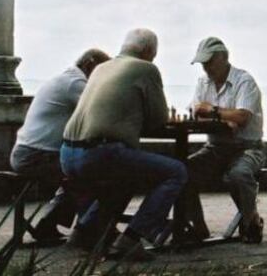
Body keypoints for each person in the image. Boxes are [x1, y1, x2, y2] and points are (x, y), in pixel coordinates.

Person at [60, 28, 185, 261]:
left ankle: (83, 232)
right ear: (148, 51)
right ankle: (132, 239)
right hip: (99, 153)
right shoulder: (146, 68)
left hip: (67, 154)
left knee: (126, 177)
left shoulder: (101, 68)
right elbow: (159, 119)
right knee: (176, 171)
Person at [10, 48, 110, 242]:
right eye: (101, 72)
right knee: (86, 172)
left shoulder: (65, 79)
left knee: (76, 170)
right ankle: (91, 230)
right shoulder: (76, 84)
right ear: (89, 64)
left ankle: (49, 225)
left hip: (27, 153)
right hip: (36, 156)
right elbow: (99, 113)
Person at [182, 36, 265, 244]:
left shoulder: (244, 81)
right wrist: (224, 117)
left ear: (224, 58)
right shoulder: (203, 82)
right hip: (216, 147)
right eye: (203, 63)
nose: (205, 68)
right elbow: (195, 111)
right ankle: (199, 228)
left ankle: (252, 221)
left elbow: (242, 116)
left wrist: (213, 110)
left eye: (209, 62)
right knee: (181, 172)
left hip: (247, 148)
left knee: (238, 174)